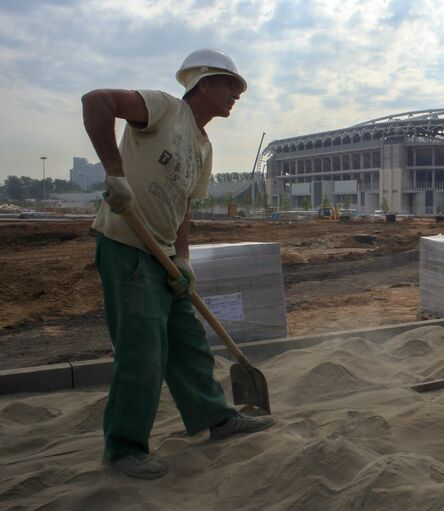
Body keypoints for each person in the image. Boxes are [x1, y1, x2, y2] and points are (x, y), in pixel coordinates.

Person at [81, 48, 274, 480]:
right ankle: (124, 447)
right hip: (126, 243)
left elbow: (184, 206)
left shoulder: (204, 146)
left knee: (188, 343)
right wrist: (114, 173)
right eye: (230, 85)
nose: (237, 95)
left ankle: (215, 416)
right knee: (142, 352)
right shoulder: (164, 108)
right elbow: (96, 100)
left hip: (164, 254)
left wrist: (183, 258)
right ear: (203, 83)